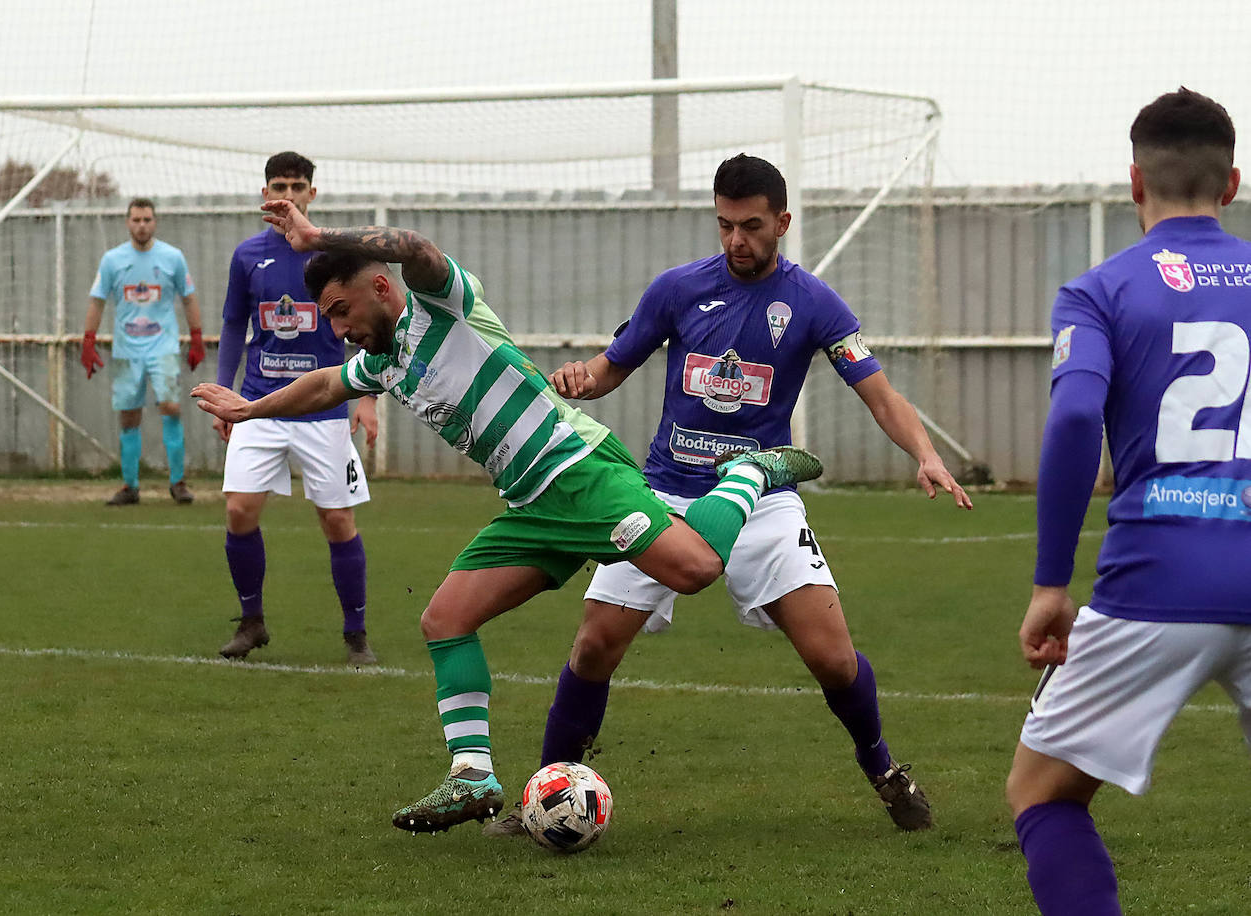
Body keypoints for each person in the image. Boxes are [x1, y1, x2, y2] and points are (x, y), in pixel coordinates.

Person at [192, 199, 824, 834]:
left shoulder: (446, 306)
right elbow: (327, 384)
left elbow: (414, 245)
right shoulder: (386, 359)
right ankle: (472, 776)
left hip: (580, 475)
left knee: (694, 569)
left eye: (341, 312)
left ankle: (751, 470)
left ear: (380, 286)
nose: (338, 329)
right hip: (531, 504)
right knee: (444, 619)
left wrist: (315, 235)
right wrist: (251, 410)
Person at [480, 153, 972, 838]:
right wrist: (575, 379)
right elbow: (608, 368)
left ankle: (883, 768)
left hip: (760, 501)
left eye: (750, 226)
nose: (736, 240)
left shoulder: (815, 303)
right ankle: (542, 796)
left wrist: (925, 455)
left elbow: (879, 395)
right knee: (593, 646)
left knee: (832, 658)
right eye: (724, 226)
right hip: (662, 499)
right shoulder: (677, 290)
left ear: (783, 223)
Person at [1005, 88, 1251, 915]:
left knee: (1041, 793)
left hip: (1158, 579)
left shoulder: (1101, 289)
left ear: (1133, 181)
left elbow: (1077, 414)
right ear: (1233, 184)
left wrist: (1050, 583)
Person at [212, 152, 379, 664]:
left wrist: (367, 395)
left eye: (298, 185)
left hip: (324, 408)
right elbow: (232, 328)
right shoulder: (248, 256)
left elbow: (369, 324)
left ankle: (356, 635)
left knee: (337, 521)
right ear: (265, 194)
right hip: (259, 405)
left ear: (312, 193)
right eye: (278, 185)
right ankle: (252, 622)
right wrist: (225, 397)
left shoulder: (332, 255)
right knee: (239, 510)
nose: (288, 193)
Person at [82, 197, 205, 505]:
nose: (142, 225)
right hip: (126, 350)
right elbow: (97, 300)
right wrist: (88, 340)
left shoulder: (172, 257)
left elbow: (188, 298)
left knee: (171, 407)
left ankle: (178, 482)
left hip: (162, 346)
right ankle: (130, 486)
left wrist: (197, 336)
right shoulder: (112, 260)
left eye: (147, 219)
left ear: (155, 222)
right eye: (136, 220)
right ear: (127, 222)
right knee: (128, 416)